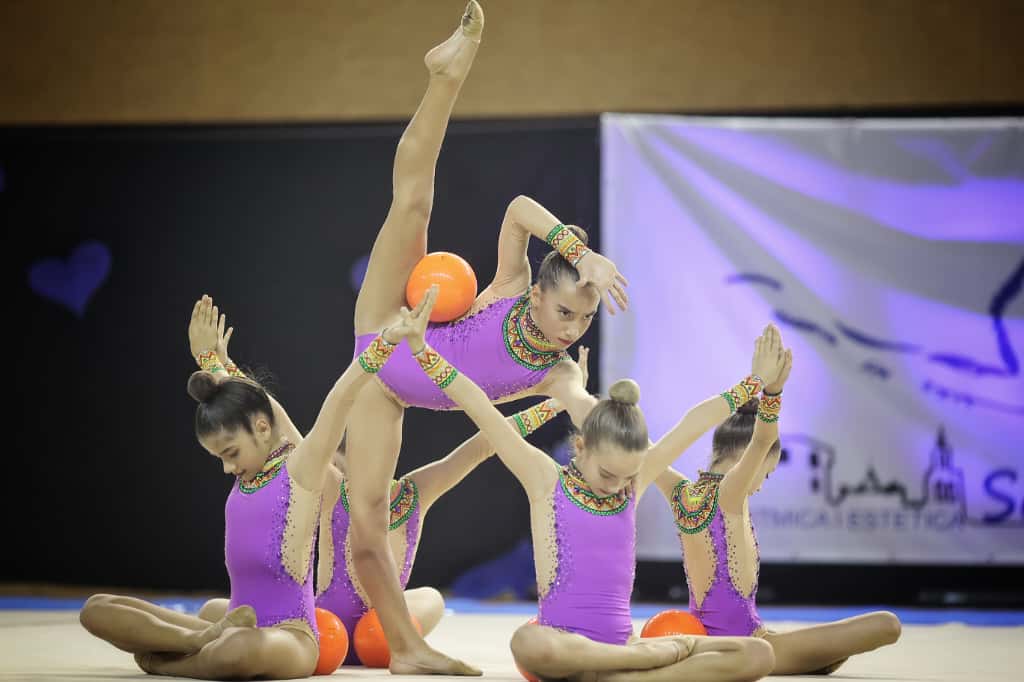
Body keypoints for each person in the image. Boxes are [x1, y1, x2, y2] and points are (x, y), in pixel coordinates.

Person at [343, 1, 627, 673]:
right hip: (384, 338)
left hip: (394, 394)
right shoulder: (508, 283)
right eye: (565, 313)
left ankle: (402, 644)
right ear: (537, 294)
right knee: (413, 202)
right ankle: (447, 76)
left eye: (585, 320)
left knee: (375, 516)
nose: (572, 328)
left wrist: (608, 415)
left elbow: (585, 413)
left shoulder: (555, 372)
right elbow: (518, 211)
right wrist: (577, 250)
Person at [387, 286, 783, 681]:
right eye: (608, 474)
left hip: (622, 648)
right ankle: (635, 667)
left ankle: (623, 671)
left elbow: (694, 422)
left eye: (628, 476)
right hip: (567, 644)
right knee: (528, 644)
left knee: (757, 654)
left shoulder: (631, 487)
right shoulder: (545, 481)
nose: (617, 486)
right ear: (580, 446)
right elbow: (481, 409)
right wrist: (423, 351)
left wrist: (755, 384)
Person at [77, 294, 425, 678]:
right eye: (219, 459)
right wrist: (212, 365)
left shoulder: (302, 469)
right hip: (228, 625)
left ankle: (176, 659)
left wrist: (387, 341)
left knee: (238, 648)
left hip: (288, 638)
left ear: (261, 429)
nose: (227, 468)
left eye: (230, 453)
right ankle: (195, 645)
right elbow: (247, 402)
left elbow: (340, 397)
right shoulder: (246, 469)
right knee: (97, 608)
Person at [654, 346, 901, 675]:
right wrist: (772, 391)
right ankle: (802, 659)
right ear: (746, 459)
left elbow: (644, 451)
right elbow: (761, 441)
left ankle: (810, 660)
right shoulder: (730, 492)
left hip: (710, 644)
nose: (761, 483)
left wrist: (581, 399)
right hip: (748, 644)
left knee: (828, 658)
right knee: (888, 624)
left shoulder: (681, 493)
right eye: (766, 473)